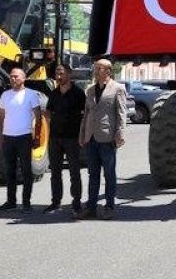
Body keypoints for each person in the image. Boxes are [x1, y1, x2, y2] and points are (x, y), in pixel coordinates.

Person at [78, 58, 127, 220]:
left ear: (108, 71)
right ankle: (91, 207)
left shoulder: (117, 88)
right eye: (95, 68)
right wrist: (82, 134)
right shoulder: (90, 90)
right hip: (91, 138)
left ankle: (109, 206)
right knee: (93, 174)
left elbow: (121, 114)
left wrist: (120, 135)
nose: (96, 70)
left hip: (107, 138)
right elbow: (87, 114)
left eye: (99, 68)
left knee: (109, 174)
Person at [0, 66, 43, 212]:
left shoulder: (31, 95)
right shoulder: (5, 95)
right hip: (8, 137)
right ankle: (11, 201)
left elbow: (39, 117)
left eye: (16, 76)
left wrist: (37, 137)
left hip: (24, 137)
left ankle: (26, 202)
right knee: (9, 171)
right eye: (11, 76)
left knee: (26, 171)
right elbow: (1, 118)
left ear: (24, 78)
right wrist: (0, 136)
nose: (13, 78)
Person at [46, 64, 86, 216]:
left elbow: (85, 114)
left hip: (72, 138)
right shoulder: (54, 93)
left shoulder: (78, 93)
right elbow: (49, 111)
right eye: (57, 73)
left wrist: (82, 134)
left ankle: (76, 203)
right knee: (55, 172)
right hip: (55, 138)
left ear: (69, 74)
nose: (58, 76)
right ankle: (55, 202)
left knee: (74, 172)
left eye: (61, 73)